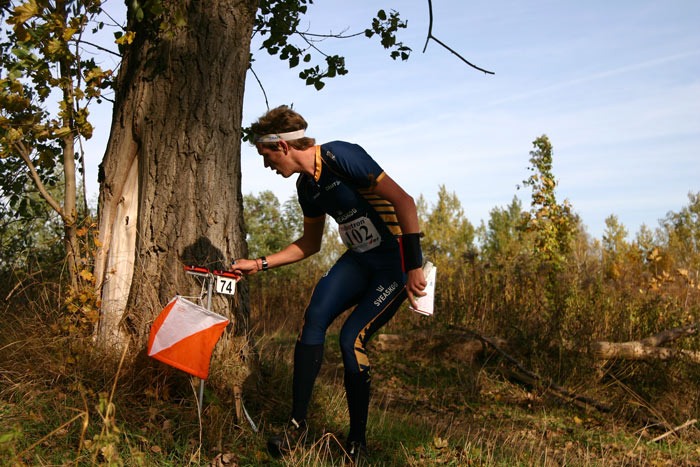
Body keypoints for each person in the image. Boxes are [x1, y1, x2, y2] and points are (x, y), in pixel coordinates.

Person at [231, 105, 427, 461]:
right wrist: (260, 264)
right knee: (315, 314)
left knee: (351, 339)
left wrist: (414, 265)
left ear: (283, 146)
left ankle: (357, 443)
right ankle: (297, 426)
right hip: (360, 259)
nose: (266, 165)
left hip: (393, 263)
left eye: (266, 155)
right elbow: (310, 244)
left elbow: (404, 201)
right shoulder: (308, 187)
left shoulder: (340, 155)